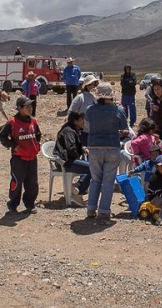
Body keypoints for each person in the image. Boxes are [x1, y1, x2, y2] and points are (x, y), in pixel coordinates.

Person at [84, 83, 130, 219]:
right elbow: (124, 127)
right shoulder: (117, 110)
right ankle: (104, 210)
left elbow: (88, 121)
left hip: (94, 147)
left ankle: (91, 208)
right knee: (108, 181)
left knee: (95, 179)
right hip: (112, 147)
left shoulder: (90, 110)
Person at [0, 96, 42, 214]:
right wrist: (14, 146)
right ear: (19, 108)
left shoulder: (33, 121)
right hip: (19, 158)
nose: (30, 108)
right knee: (17, 182)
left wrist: (37, 145)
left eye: (31, 106)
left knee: (32, 182)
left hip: (32, 157)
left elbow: (38, 134)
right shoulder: (12, 122)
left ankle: (30, 204)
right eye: (27, 106)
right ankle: (13, 204)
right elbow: (2, 136)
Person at [53, 110, 90, 206]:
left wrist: (82, 149)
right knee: (93, 167)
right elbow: (71, 149)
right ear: (75, 121)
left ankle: (77, 188)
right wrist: (79, 158)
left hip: (70, 160)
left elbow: (76, 146)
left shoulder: (74, 130)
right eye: (82, 119)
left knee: (93, 166)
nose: (83, 121)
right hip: (66, 162)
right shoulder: (69, 131)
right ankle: (79, 189)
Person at [69, 74, 99, 145]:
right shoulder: (80, 98)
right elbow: (70, 112)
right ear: (87, 85)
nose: (95, 86)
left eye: (95, 84)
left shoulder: (96, 97)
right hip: (84, 131)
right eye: (93, 84)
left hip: (96, 130)